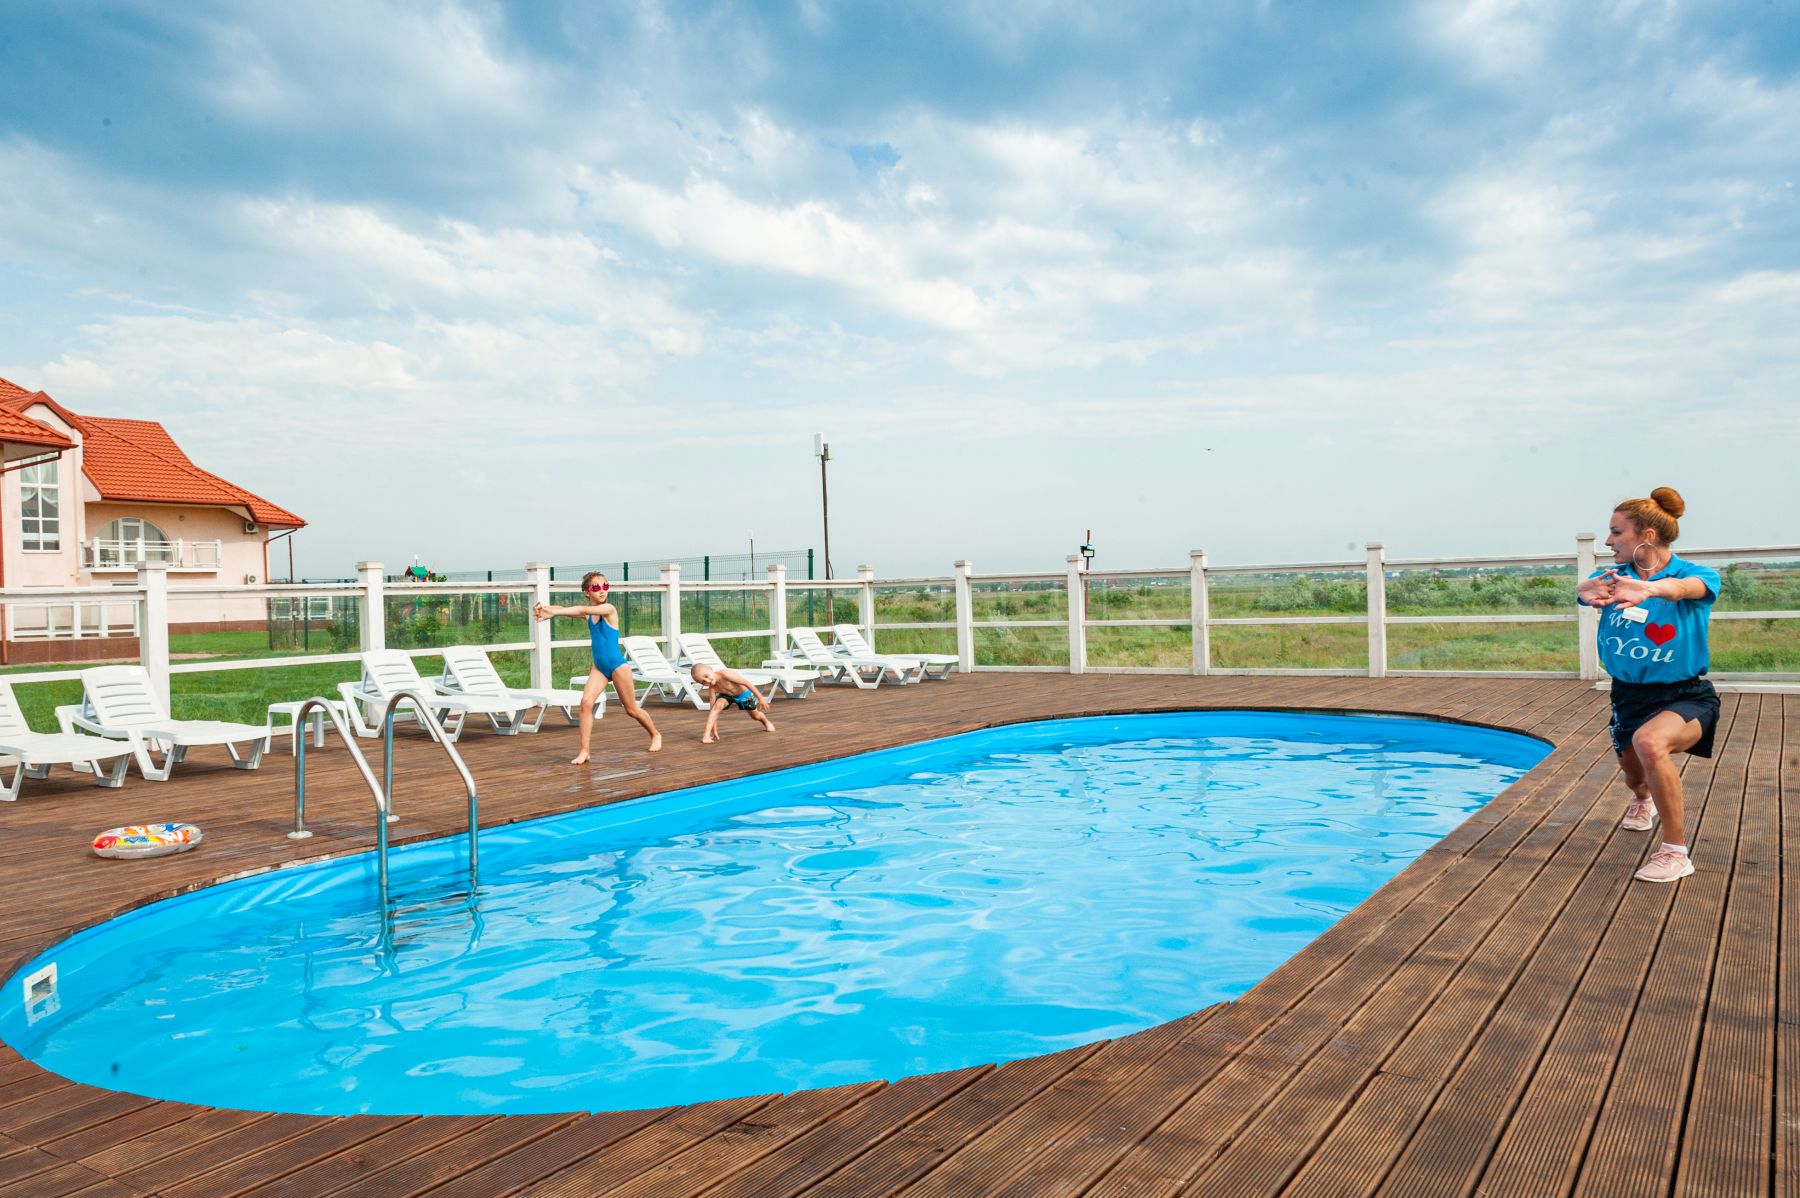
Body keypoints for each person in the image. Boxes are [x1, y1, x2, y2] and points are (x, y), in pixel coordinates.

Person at [1576, 487, 1719, 883]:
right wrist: (1583, 593)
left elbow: (1685, 590)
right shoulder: (1611, 577)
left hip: (1685, 694)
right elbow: (1589, 592)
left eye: (1616, 532)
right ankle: (1643, 800)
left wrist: (1651, 588)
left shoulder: (1694, 575)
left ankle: (1675, 852)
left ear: (1647, 536)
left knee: (1650, 742)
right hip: (1627, 696)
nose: (1608, 542)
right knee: (1634, 776)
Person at [533, 572, 660, 762]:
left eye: (605, 586)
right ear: (587, 592)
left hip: (617, 667)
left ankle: (655, 734)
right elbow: (569, 610)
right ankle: (584, 750)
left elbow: (581, 609)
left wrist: (554, 613)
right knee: (586, 703)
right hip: (599, 667)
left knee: (631, 710)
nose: (602, 591)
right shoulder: (589, 614)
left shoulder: (609, 609)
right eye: (596, 587)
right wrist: (546, 609)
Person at [689, 664, 776, 743]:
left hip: (744, 695)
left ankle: (765, 721)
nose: (707, 681)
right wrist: (713, 731)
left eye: (706, 676)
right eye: (703, 682)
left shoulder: (725, 675)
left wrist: (761, 698)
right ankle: (706, 736)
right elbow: (713, 710)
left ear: (710, 669)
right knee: (717, 705)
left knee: (755, 716)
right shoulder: (712, 689)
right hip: (728, 696)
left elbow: (747, 683)